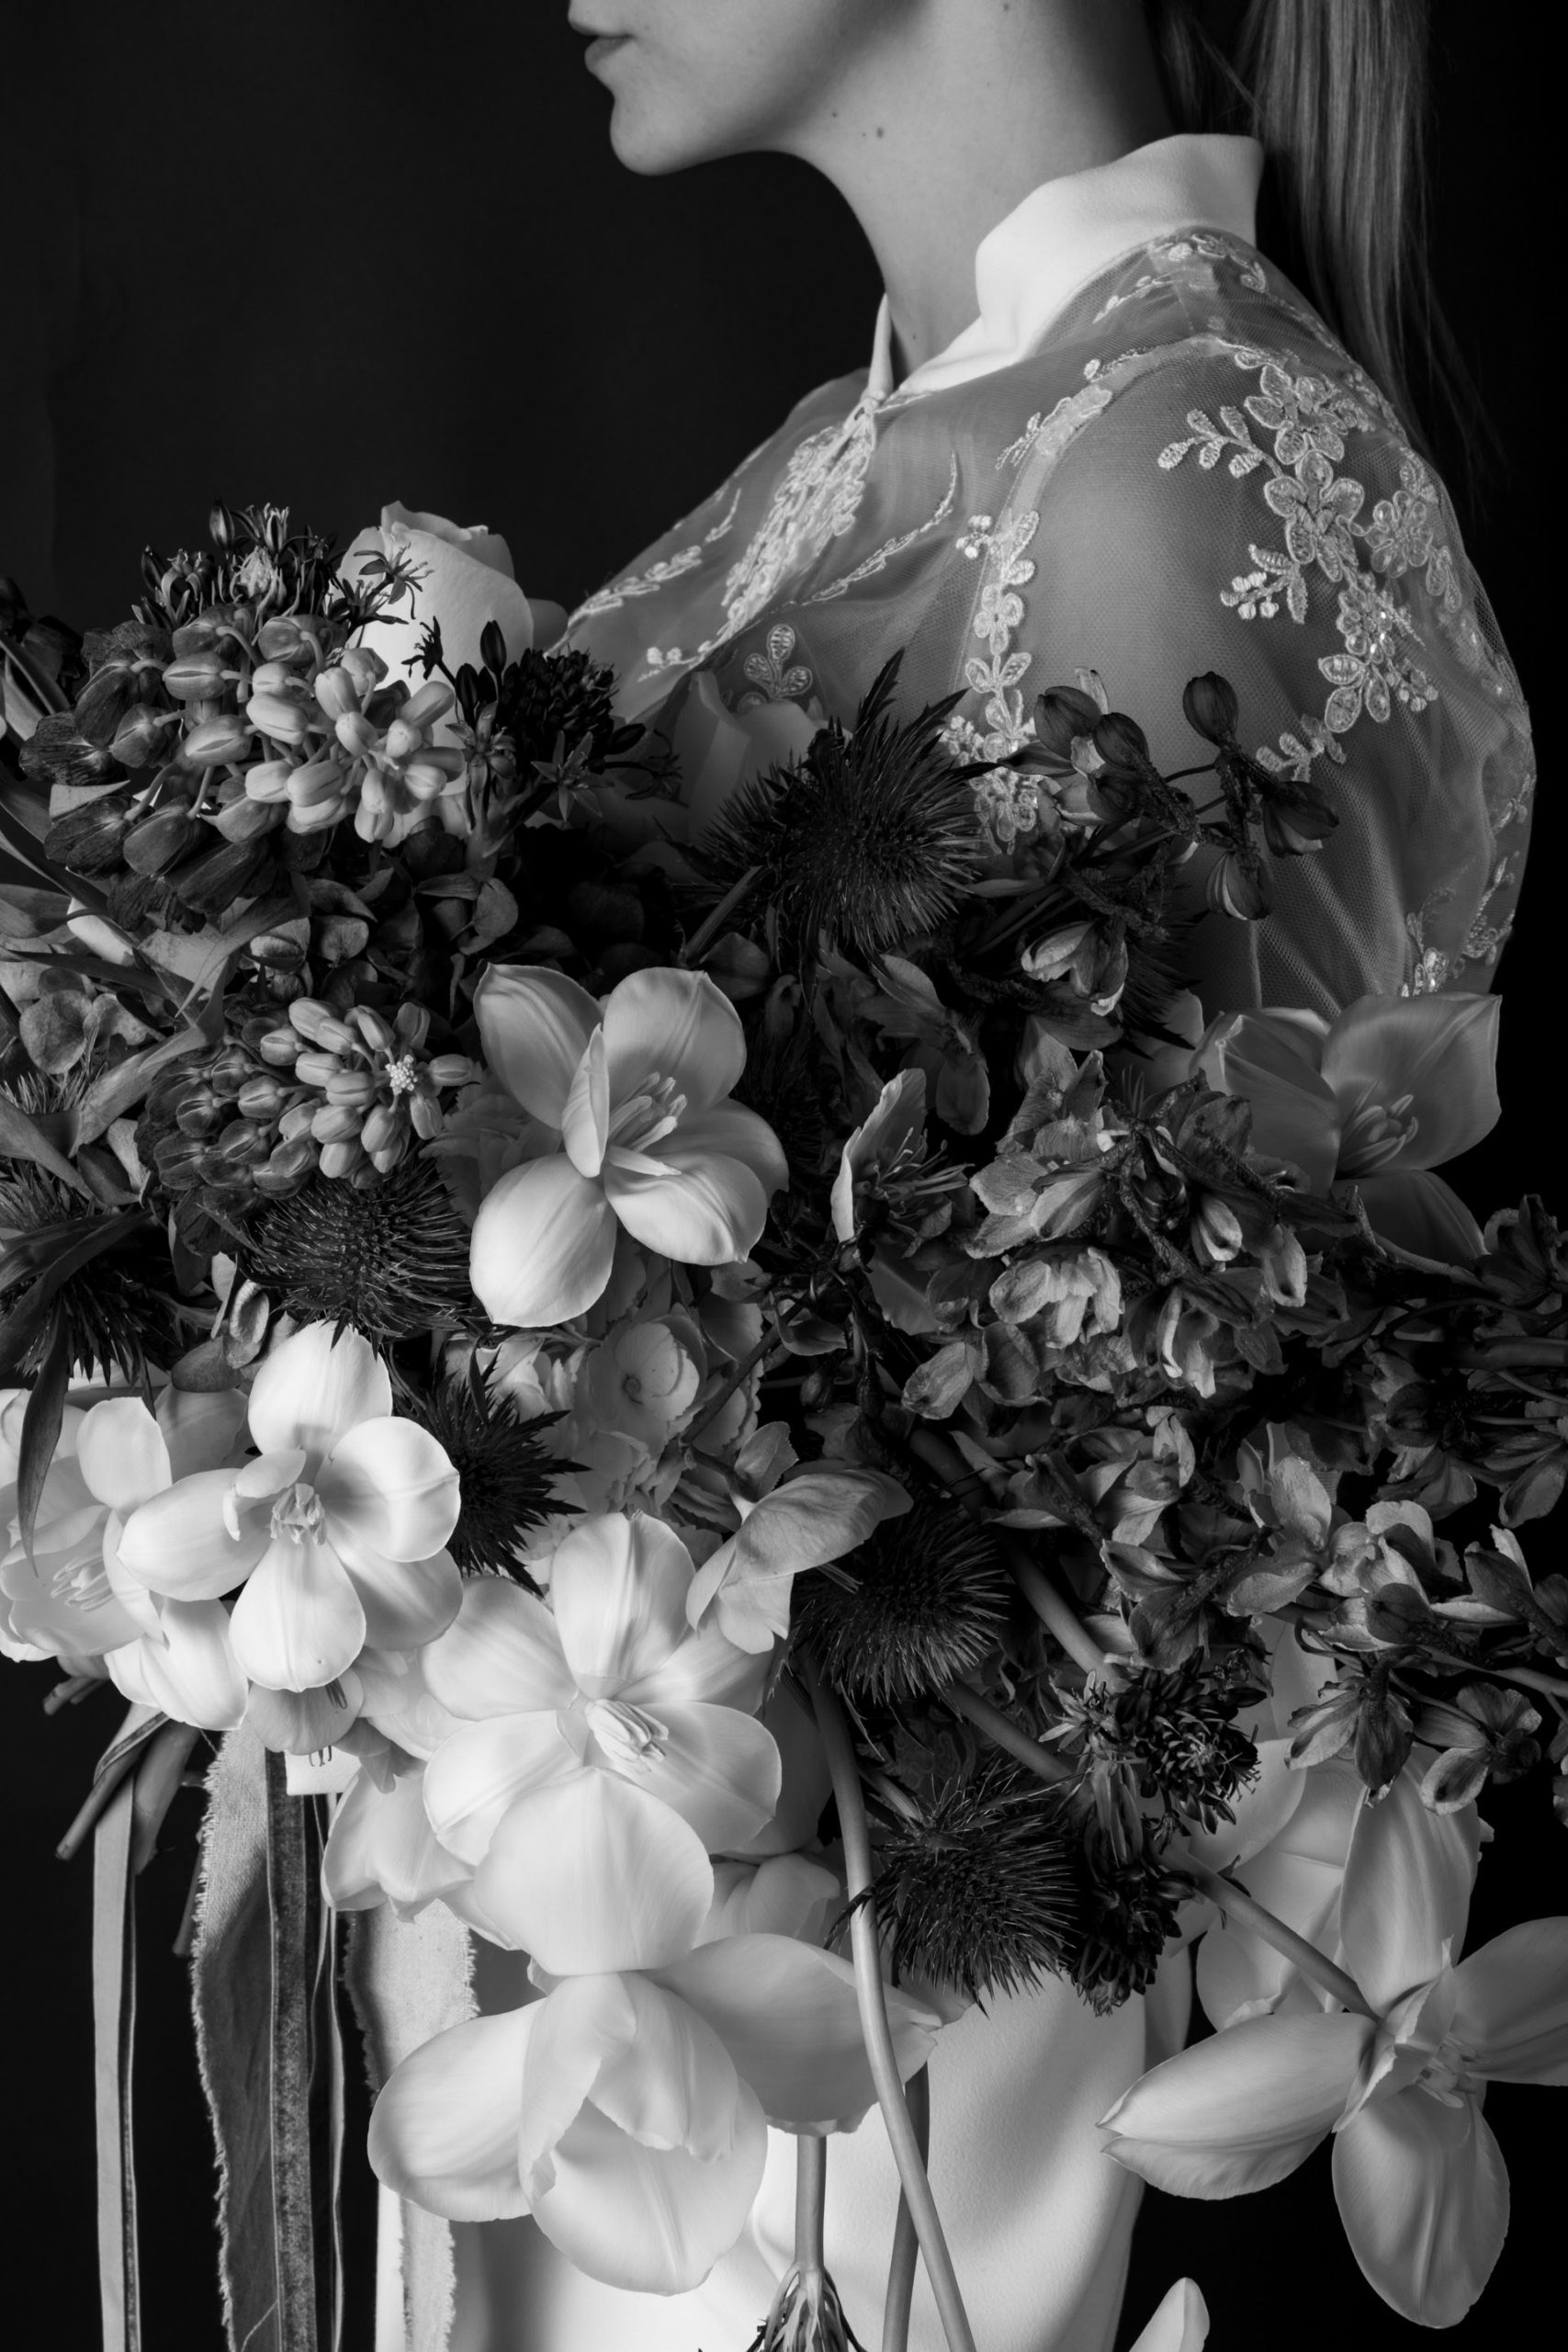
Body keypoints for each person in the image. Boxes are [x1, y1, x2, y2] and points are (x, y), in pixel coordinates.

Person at [452, 5, 1535, 2346]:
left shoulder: (1171, 466)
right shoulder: (862, 456)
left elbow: (1108, 1459)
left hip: (858, 2107)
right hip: (632, 1985)